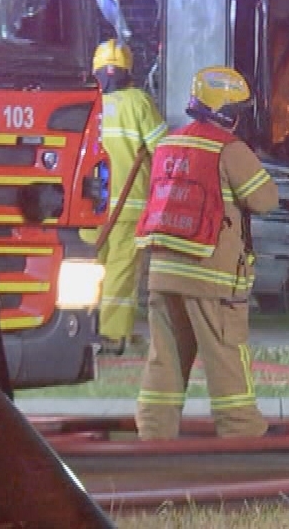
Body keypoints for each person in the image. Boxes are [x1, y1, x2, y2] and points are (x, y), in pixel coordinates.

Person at [132, 66, 278, 441]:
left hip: (163, 273)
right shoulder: (229, 149)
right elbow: (265, 200)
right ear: (227, 111)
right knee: (226, 356)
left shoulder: (168, 143)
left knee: (165, 358)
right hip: (211, 278)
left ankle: (154, 432)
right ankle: (241, 432)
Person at [86, 39, 168, 353]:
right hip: (128, 207)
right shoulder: (139, 102)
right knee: (120, 272)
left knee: (87, 269)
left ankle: (80, 330)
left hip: (87, 208)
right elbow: (163, 149)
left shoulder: (86, 101)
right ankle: (112, 335)